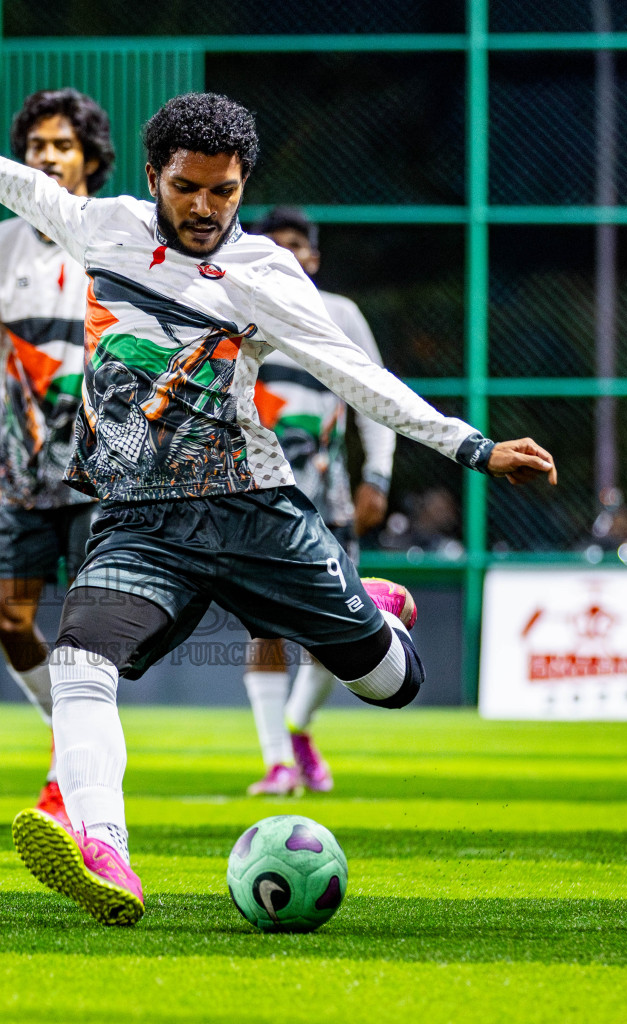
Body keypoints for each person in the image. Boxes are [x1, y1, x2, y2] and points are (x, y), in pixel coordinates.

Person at [0, 92, 555, 925]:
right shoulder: (106, 226)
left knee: (392, 684)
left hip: (253, 513)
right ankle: (103, 848)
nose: (204, 208)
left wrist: (471, 447)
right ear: (155, 176)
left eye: (223, 192)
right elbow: (19, 186)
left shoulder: (266, 274)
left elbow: (353, 374)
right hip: (139, 522)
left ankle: (373, 610)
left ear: (241, 185)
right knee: (81, 663)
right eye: (187, 187)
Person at [0, 89, 115, 827]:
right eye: (35, 146)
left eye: (61, 145)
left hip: (103, 475)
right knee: (11, 622)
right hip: (19, 475)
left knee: (86, 638)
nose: (44, 157)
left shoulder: (112, 236)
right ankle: (64, 732)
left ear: (90, 158)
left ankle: (71, 780)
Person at [241, 205, 397, 797]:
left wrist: (377, 477)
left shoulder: (341, 316)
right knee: (264, 634)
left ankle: (297, 726)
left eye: (297, 246)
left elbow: (374, 395)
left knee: (338, 632)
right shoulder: (236, 306)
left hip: (328, 503)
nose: (287, 255)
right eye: (272, 245)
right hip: (255, 499)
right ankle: (278, 762)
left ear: (313, 257)